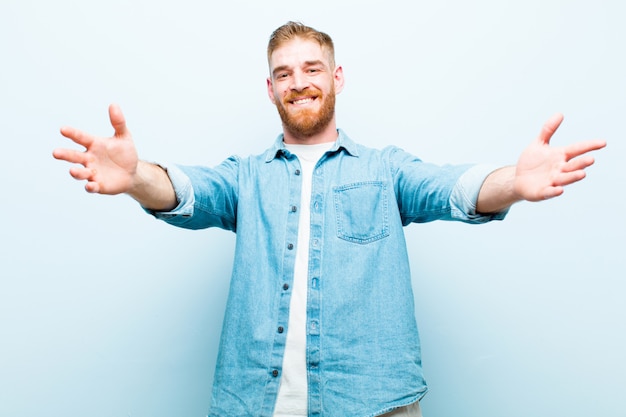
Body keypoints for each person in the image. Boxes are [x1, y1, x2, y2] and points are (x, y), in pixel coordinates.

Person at [53, 21, 605, 417]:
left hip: (373, 405)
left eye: (311, 68)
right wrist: (135, 179)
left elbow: (450, 188)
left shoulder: (386, 170)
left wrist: (514, 182)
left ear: (337, 77)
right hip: (257, 403)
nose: (299, 82)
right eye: (284, 74)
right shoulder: (245, 176)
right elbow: (187, 191)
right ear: (270, 89)